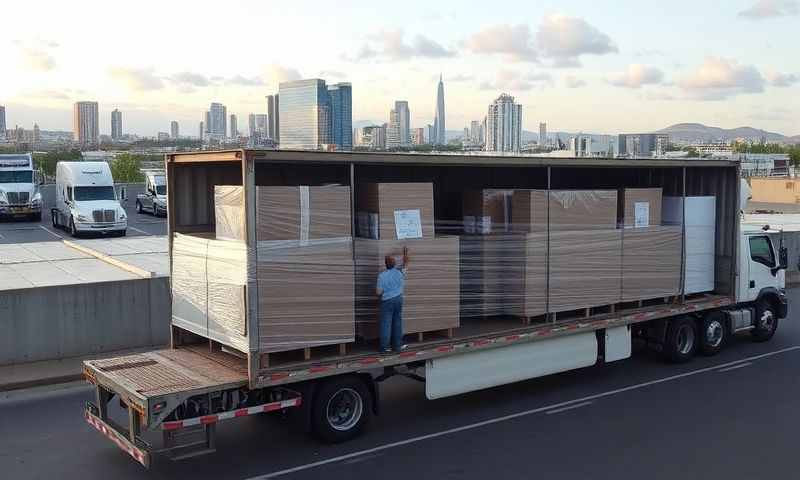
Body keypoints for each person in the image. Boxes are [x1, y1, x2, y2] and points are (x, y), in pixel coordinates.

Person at [375, 246, 410, 353]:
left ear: (385, 264)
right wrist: (405, 253)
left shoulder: (382, 276)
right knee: (397, 322)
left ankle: (385, 347)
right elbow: (406, 263)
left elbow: (378, 292)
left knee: (386, 323)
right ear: (394, 264)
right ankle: (397, 346)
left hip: (387, 301)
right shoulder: (400, 272)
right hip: (399, 299)